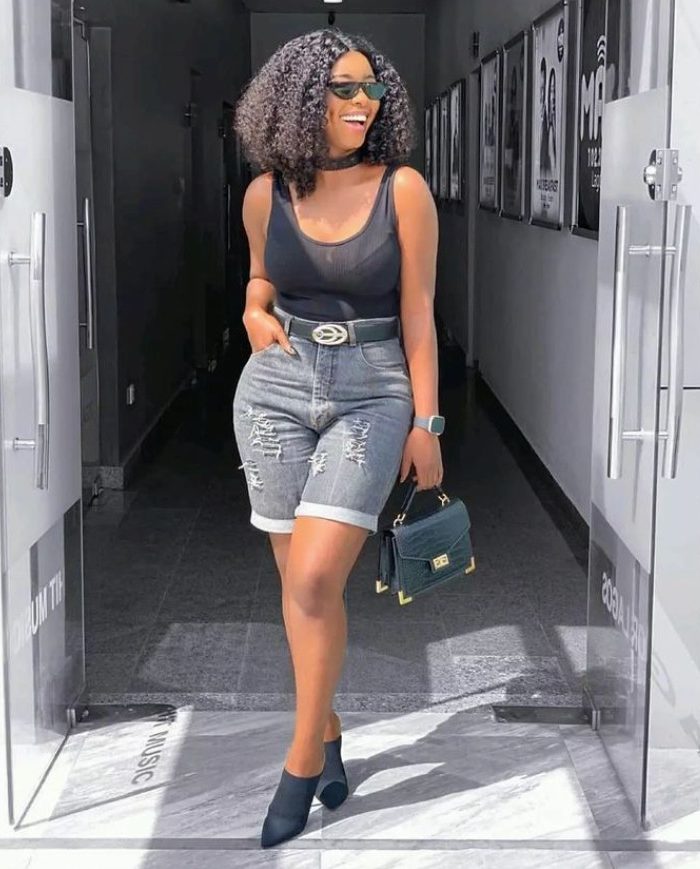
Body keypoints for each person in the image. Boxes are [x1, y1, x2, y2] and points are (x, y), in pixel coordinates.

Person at [232, 29, 443, 848]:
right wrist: (254, 312)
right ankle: (327, 730)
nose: (364, 105)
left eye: (371, 89)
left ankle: (298, 764)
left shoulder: (403, 190)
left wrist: (427, 422)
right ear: (299, 100)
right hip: (276, 390)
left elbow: (419, 313)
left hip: (374, 389)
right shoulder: (265, 195)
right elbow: (261, 279)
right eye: (344, 90)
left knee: (317, 578)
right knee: (298, 587)